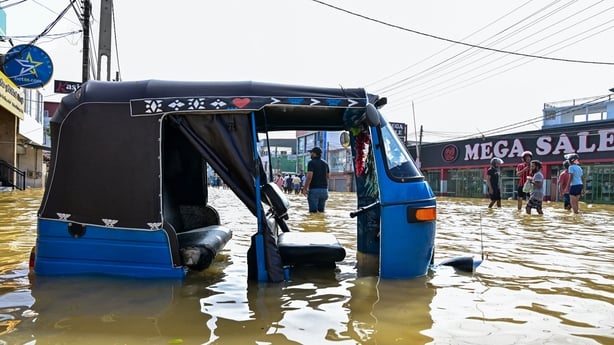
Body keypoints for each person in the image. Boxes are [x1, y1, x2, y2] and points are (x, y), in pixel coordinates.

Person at [301, 147, 330, 213]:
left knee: (313, 213)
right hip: (324, 191)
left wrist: (305, 188)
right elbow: (328, 176)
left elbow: (309, 176)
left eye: (311, 153)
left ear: (314, 154)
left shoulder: (311, 163)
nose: (310, 154)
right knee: (321, 212)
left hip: (314, 190)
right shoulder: (325, 163)